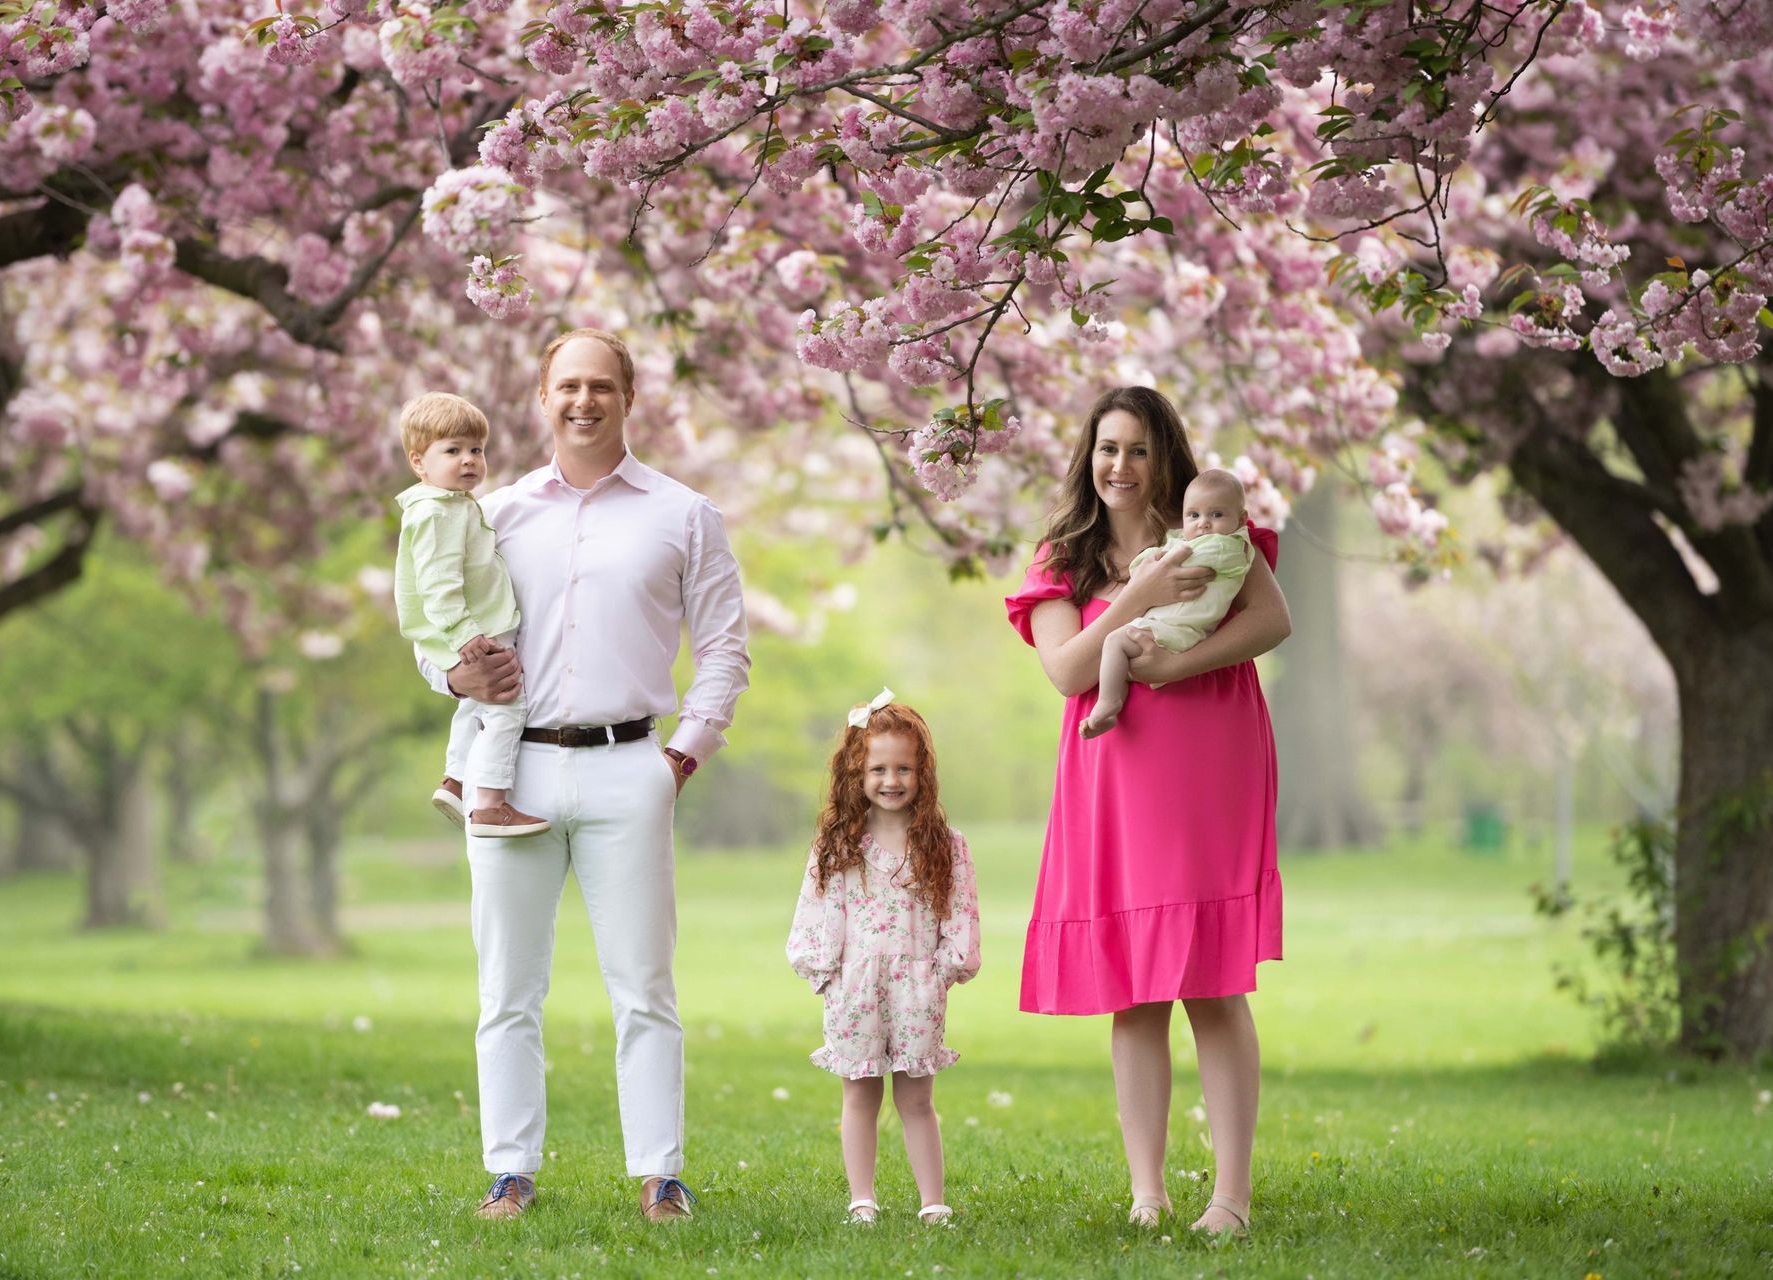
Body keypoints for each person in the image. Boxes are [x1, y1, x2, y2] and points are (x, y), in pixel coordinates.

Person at [420, 329, 751, 1223]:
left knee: (644, 986)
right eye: (567, 386)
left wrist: (683, 755)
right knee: (507, 990)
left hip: (630, 767)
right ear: (540, 396)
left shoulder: (684, 514)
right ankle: (511, 1171)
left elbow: (724, 649)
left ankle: (660, 1174)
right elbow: (434, 617)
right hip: (510, 771)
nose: (583, 402)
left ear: (628, 396)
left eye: (601, 386)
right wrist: (450, 677)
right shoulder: (494, 512)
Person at [1002, 386, 1290, 1237]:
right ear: (1086, 459)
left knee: (1213, 982)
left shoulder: (1214, 529)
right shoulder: (1063, 557)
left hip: (1208, 761)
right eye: (1105, 449)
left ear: (1165, 455)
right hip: (1115, 775)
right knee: (1134, 990)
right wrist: (1139, 593)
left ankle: (1230, 1199)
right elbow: (1066, 672)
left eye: (1135, 450)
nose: (1118, 466)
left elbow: (1273, 619)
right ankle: (1147, 1193)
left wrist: (1176, 667)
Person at [786, 691, 980, 1227]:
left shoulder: (945, 844)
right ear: (857, 773)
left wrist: (945, 968)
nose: (891, 780)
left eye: (903, 768)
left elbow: (959, 911)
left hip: (918, 987)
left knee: (917, 1099)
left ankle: (932, 1201)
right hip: (856, 987)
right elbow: (816, 908)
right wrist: (823, 970)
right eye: (878, 768)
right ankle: (862, 1199)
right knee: (860, 1096)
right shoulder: (837, 844)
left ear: (923, 773)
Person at [392, 391, 550, 838]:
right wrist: (464, 635)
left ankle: (457, 781)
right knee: (506, 706)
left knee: (475, 710)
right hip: (475, 629)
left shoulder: (453, 506)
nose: (469, 461)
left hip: (472, 626)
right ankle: (490, 804)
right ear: (419, 462)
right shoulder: (437, 513)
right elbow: (438, 583)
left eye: (476, 450)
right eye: (453, 450)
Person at [1080, 468, 1254, 739]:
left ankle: (1109, 702)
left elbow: (1171, 562)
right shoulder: (1209, 545)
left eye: (1216, 514)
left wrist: (1146, 563)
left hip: (1177, 628)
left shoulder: (1223, 547)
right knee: (1121, 655)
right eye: (1193, 516)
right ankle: (1116, 699)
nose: (1204, 524)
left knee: (1114, 642)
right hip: (1178, 626)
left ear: (1241, 519)